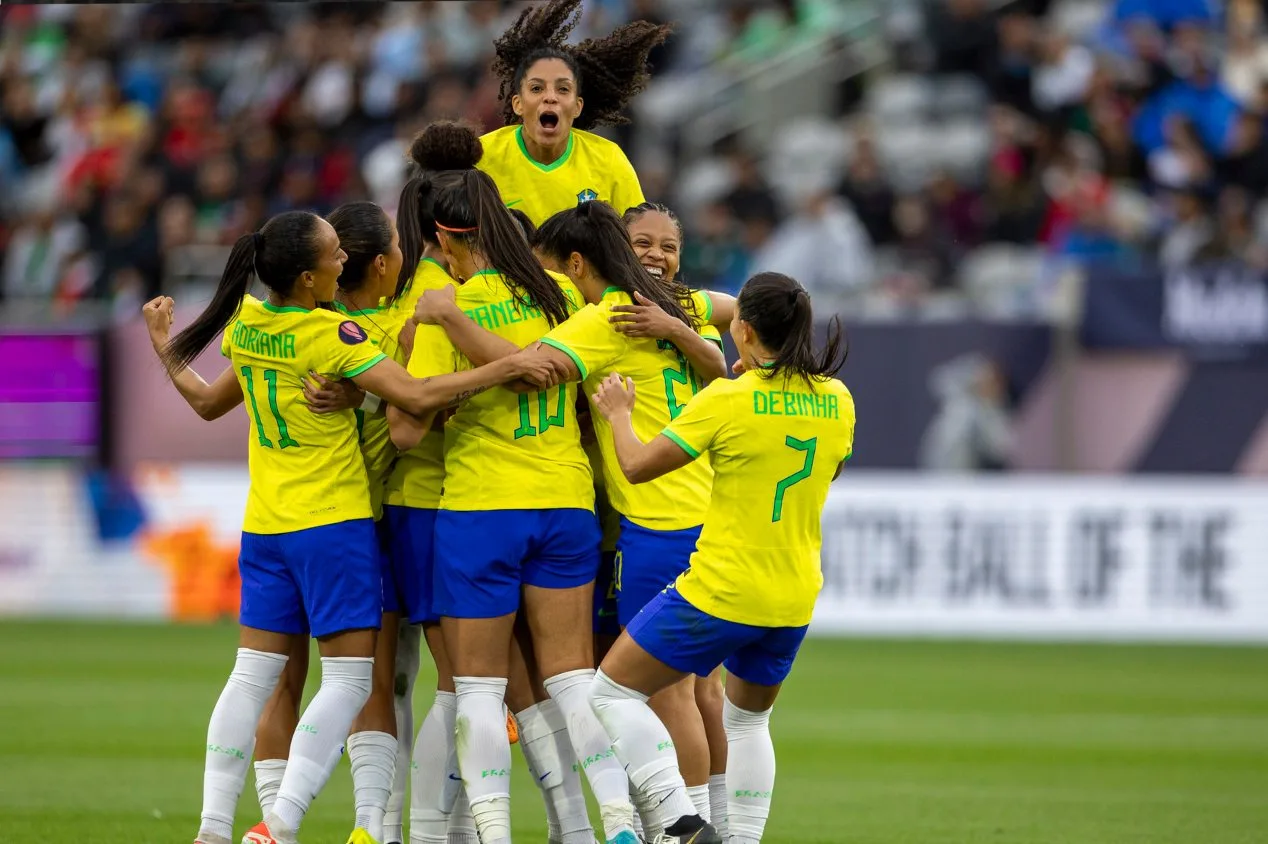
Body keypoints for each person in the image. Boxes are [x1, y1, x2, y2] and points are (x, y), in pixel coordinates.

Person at [148, 209, 558, 844]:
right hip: (334, 524)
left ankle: (211, 829)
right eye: (334, 255)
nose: (344, 262)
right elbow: (415, 398)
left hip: (265, 526)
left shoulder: (248, 325)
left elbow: (205, 402)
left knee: (251, 678)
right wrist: (505, 367)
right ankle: (281, 823)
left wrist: (163, 345)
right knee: (350, 681)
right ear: (309, 279)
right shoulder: (332, 334)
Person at [386, 151, 639, 844]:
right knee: (573, 680)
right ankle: (615, 819)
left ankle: (494, 834)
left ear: (444, 239)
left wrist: (420, 358)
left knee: (476, 690)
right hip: (566, 503)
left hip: (482, 508)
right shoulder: (563, 292)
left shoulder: (447, 308)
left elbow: (405, 431)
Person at [587, 272, 855, 844]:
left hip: (722, 588)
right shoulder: (838, 399)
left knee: (610, 690)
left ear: (745, 330)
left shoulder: (727, 398)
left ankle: (680, 818)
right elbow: (827, 472)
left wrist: (618, 415)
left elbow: (636, 466)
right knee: (749, 721)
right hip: (793, 593)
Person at [621, 201, 733, 837]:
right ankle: (720, 824)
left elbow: (721, 365)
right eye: (643, 242)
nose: (657, 255)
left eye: (668, 246)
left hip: (666, 520)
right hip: (689, 517)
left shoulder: (681, 311)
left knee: (671, 692)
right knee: (701, 689)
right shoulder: (621, 307)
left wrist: (675, 326)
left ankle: (687, 825)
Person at [479, 0, 669, 225]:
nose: (550, 97)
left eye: (563, 89)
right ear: (517, 104)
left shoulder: (609, 161)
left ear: (577, 106)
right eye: (537, 88)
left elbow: (636, 238)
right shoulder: (482, 157)